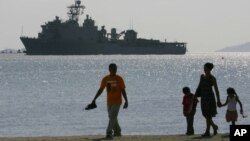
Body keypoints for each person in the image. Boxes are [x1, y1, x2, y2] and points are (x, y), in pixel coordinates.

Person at [88, 63, 128, 139]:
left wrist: (126, 101)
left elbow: (123, 90)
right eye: (113, 69)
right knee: (112, 117)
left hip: (117, 101)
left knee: (112, 116)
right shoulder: (105, 79)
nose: (115, 70)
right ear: (109, 69)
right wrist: (94, 99)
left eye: (116, 68)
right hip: (109, 102)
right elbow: (101, 89)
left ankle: (109, 133)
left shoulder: (119, 78)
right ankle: (118, 131)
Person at [194, 62, 222, 137]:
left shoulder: (212, 78)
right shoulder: (202, 77)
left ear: (209, 69)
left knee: (208, 115)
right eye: (204, 68)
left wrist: (218, 100)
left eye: (206, 68)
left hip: (210, 98)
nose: (204, 69)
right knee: (206, 115)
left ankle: (207, 131)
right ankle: (214, 127)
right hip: (203, 98)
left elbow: (216, 90)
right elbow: (199, 86)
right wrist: (195, 95)